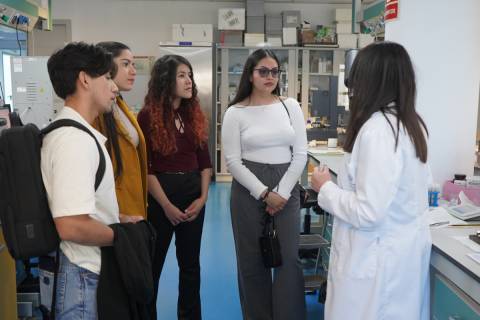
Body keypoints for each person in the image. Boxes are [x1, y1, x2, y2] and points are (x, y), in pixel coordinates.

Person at [311, 41, 431, 320]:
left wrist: (325, 188)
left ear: (372, 81)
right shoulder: (411, 124)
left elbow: (369, 211)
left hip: (376, 265)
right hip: (398, 259)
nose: (352, 89)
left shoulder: (377, 130)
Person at [221, 48, 307, 320]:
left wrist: (280, 192)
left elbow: (301, 153)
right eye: (263, 71)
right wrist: (264, 193)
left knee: (289, 260)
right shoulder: (236, 112)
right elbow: (232, 161)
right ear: (250, 74)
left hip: (286, 182)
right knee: (251, 262)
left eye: (274, 71)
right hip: (249, 188)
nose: (270, 76)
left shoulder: (290, 105)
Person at [42, 42, 124, 319]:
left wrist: (118, 218)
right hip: (83, 277)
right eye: (108, 77)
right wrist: (122, 237)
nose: (114, 87)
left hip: (86, 273)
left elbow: (81, 209)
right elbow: (71, 225)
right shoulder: (73, 141)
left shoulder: (78, 134)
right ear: (85, 79)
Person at [137, 54, 212, 320]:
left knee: (190, 266)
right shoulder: (146, 118)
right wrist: (166, 206)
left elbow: (204, 162)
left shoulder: (194, 116)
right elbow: (145, 169)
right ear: (166, 80)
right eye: (182, 75)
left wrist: (203, 197)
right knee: (153, 265)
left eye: (189, 75)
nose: (189, 80)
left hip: (193, 193)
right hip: (160, 198)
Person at [94, 41, 147, 221]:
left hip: (132, 203)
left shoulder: (118, 104)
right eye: (125, 64)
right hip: (116, 210)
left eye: (133, 64)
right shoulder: (97, 113)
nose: (133, 71)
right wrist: (118, 216)